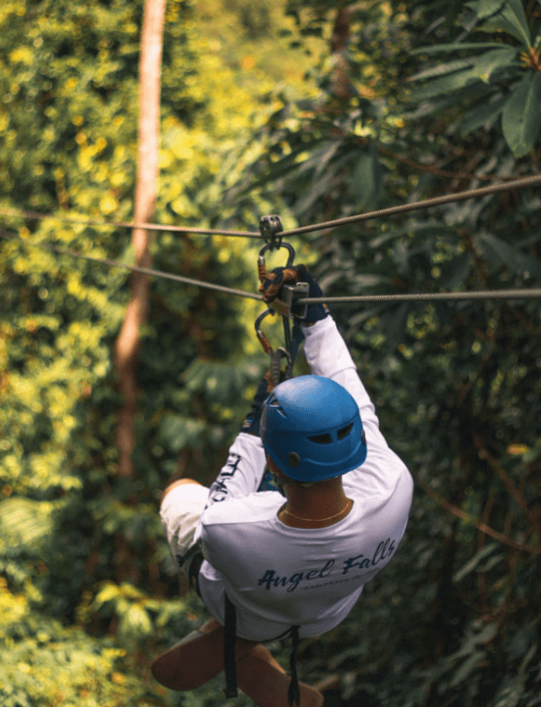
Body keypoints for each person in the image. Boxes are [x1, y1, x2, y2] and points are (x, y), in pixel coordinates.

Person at [152, 265, 414, 707]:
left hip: (249, 609)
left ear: (274, 465)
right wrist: (315, 315)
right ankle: (249, 651)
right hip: (326, 613)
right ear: (356, 446)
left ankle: (241, 641)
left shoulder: (230, 529)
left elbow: (221, 501)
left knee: (179, 492)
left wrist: (258, 418)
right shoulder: (393, 485)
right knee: (261, 573)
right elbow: (353, 395)